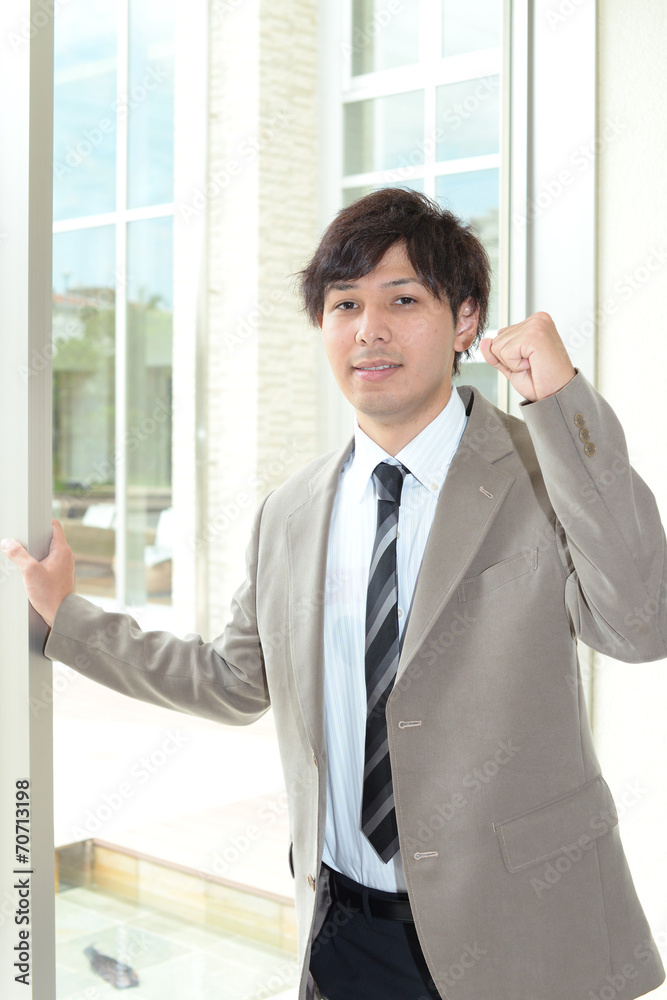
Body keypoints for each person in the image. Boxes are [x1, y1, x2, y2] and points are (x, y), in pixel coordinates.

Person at [3, 188, 666, 1000]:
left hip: (522, 935)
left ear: (465, 321)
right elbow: (231, 680)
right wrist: (68, 619)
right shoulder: (291, 511)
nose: (368, 329)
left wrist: (558, 403)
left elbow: (640, 622)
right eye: (344, 303)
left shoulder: (540, 471)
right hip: (345, 938)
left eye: (402, 300)